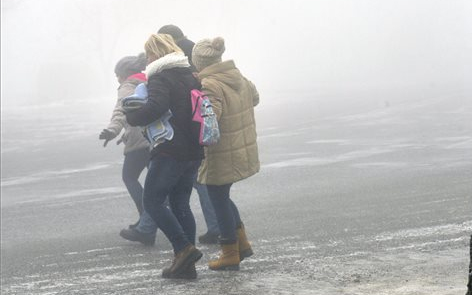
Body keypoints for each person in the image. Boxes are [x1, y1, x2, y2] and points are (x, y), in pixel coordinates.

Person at [125, 34, 203, 279]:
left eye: (149, 54)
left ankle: (183, 248)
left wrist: (133, 117)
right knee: (180, 204)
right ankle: (186, 266)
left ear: (156, 54)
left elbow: (157, 106)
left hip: (170, 148)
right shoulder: (189, 75)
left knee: (153, 201)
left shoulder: (160, 75)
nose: (147, 59)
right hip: (193, 149)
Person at [192, 37, 260, 271]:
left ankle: (230, 252)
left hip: (220, 152)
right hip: (240, 146)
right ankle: (242, 244)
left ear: (198, 62)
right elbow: (255, 97)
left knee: (217, 198)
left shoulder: (210, 83)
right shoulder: (237, 76)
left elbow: (212, 118)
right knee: (222, 196)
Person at [158, 24, 221, 244]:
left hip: (189, 131)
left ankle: (215, 227)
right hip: (196, 130)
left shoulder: (178, 56)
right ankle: (217, 226)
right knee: (198, 182)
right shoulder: (193, 50)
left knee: (197, 183)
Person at [99, 53, 157, 245]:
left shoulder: (127, 86)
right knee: (156, 184)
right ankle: (146, 221)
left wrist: (112, 130)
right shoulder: (149, 81)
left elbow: (121, 110)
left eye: (118, 74)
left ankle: (145, 219)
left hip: (139, 143)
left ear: (125, 73)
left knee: (129, 177)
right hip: (154, 139)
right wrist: (125, 134)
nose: (117, 78)